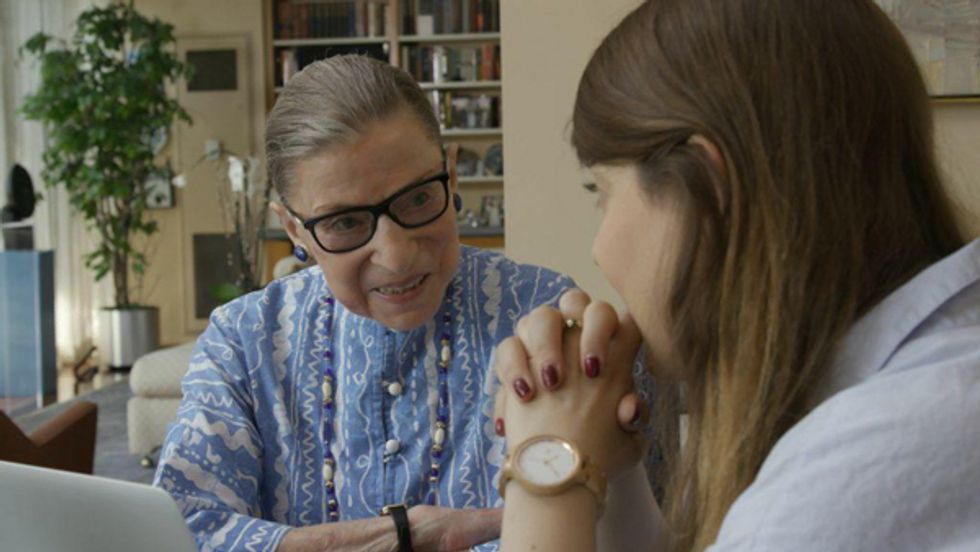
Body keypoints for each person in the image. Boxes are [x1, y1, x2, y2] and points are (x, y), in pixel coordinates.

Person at [492, 1, 979, 551]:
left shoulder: (874, 454)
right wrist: (611, 464)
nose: (599, 252)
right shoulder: (926, 380)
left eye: (602, 193)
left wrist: (545, 473)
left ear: (708, 190)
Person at [152, 55, 588, 552]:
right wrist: (409, 535)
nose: (398, 255)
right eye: (344, 223)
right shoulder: (243, 341)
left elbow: (612, 521)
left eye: (419, 198)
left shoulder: (542, 316)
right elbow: (180, 529)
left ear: (451, 175)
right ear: (295, 229)